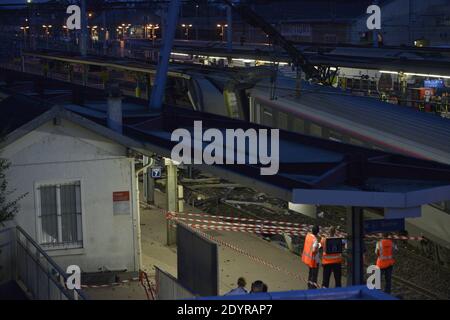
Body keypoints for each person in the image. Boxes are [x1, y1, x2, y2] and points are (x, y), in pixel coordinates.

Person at [302, 225, 321, 289]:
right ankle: (312, 288)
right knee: (314, 275)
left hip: (308, 259)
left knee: (310, 274)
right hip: (314, 260)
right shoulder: (315, 240)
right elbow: (314, 250)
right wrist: (319, 244)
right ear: (317, 232)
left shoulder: (308, 236)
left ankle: (309, 285)